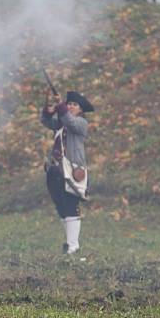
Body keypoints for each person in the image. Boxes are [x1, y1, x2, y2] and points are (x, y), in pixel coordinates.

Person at [41, 89, 93, 254]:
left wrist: (60, 106)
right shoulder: (61, 122)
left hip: (71, 169)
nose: (70, 106)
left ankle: (73, 246)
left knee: (71, 205)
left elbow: (70, 122)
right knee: (62, 207)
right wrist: (50, 110)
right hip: (57, 169)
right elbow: (47, 121)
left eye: (74, 105)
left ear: (81, 110)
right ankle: (69, 244)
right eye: (69, 103)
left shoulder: (81, 123)